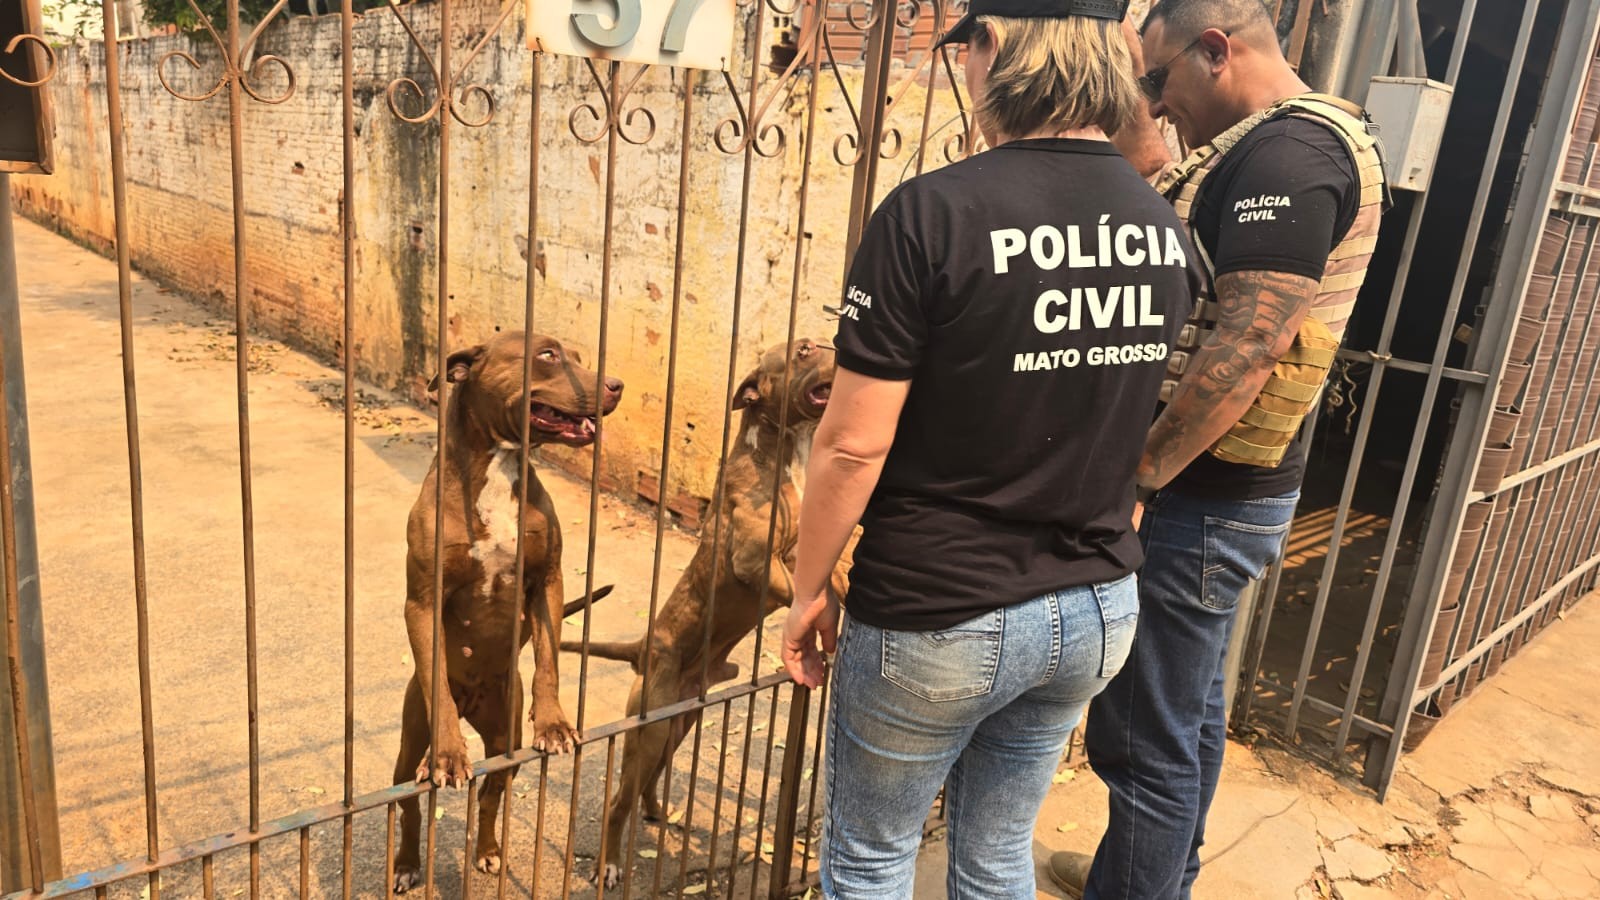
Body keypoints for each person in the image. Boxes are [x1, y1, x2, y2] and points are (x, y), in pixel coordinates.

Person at [779, 1, 1198, 896]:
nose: (963, 67)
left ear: (997, 45)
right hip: (1093, 606)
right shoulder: (1157, 225)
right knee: (997, 852)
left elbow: (851, 446)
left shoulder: (933, 212)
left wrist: (809, 588)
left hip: (943, 608)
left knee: (870, 857)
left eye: (963, 46)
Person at [1047, 0, 1388, 897]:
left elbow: (1251, 342)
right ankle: (1148, 873)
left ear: (1214, 50)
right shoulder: (1275, 141)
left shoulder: (1292, 153)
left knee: (1140, 740)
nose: (1155, 104)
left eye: (1159, 81)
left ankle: (1137, 883)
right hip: (1217, 499)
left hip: (1199, 502)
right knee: (1188, 715)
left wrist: (1138, 481)